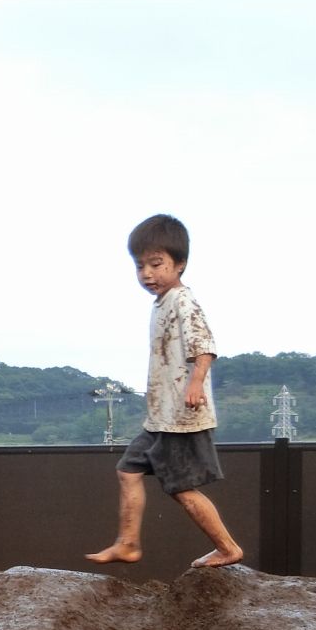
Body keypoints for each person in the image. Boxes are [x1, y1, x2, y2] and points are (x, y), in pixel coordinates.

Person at [87, 213, 243, 570]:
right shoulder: (160, 304)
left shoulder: (184, 302)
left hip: (182, 418)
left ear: (180, 264)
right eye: (140, 266)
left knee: (181, 489)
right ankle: (127, 543)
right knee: (128, 470)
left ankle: (227, 548)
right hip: (160, 417)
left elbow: (204, 347)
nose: (147, 274)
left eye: (156, 264)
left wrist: (195, 384)